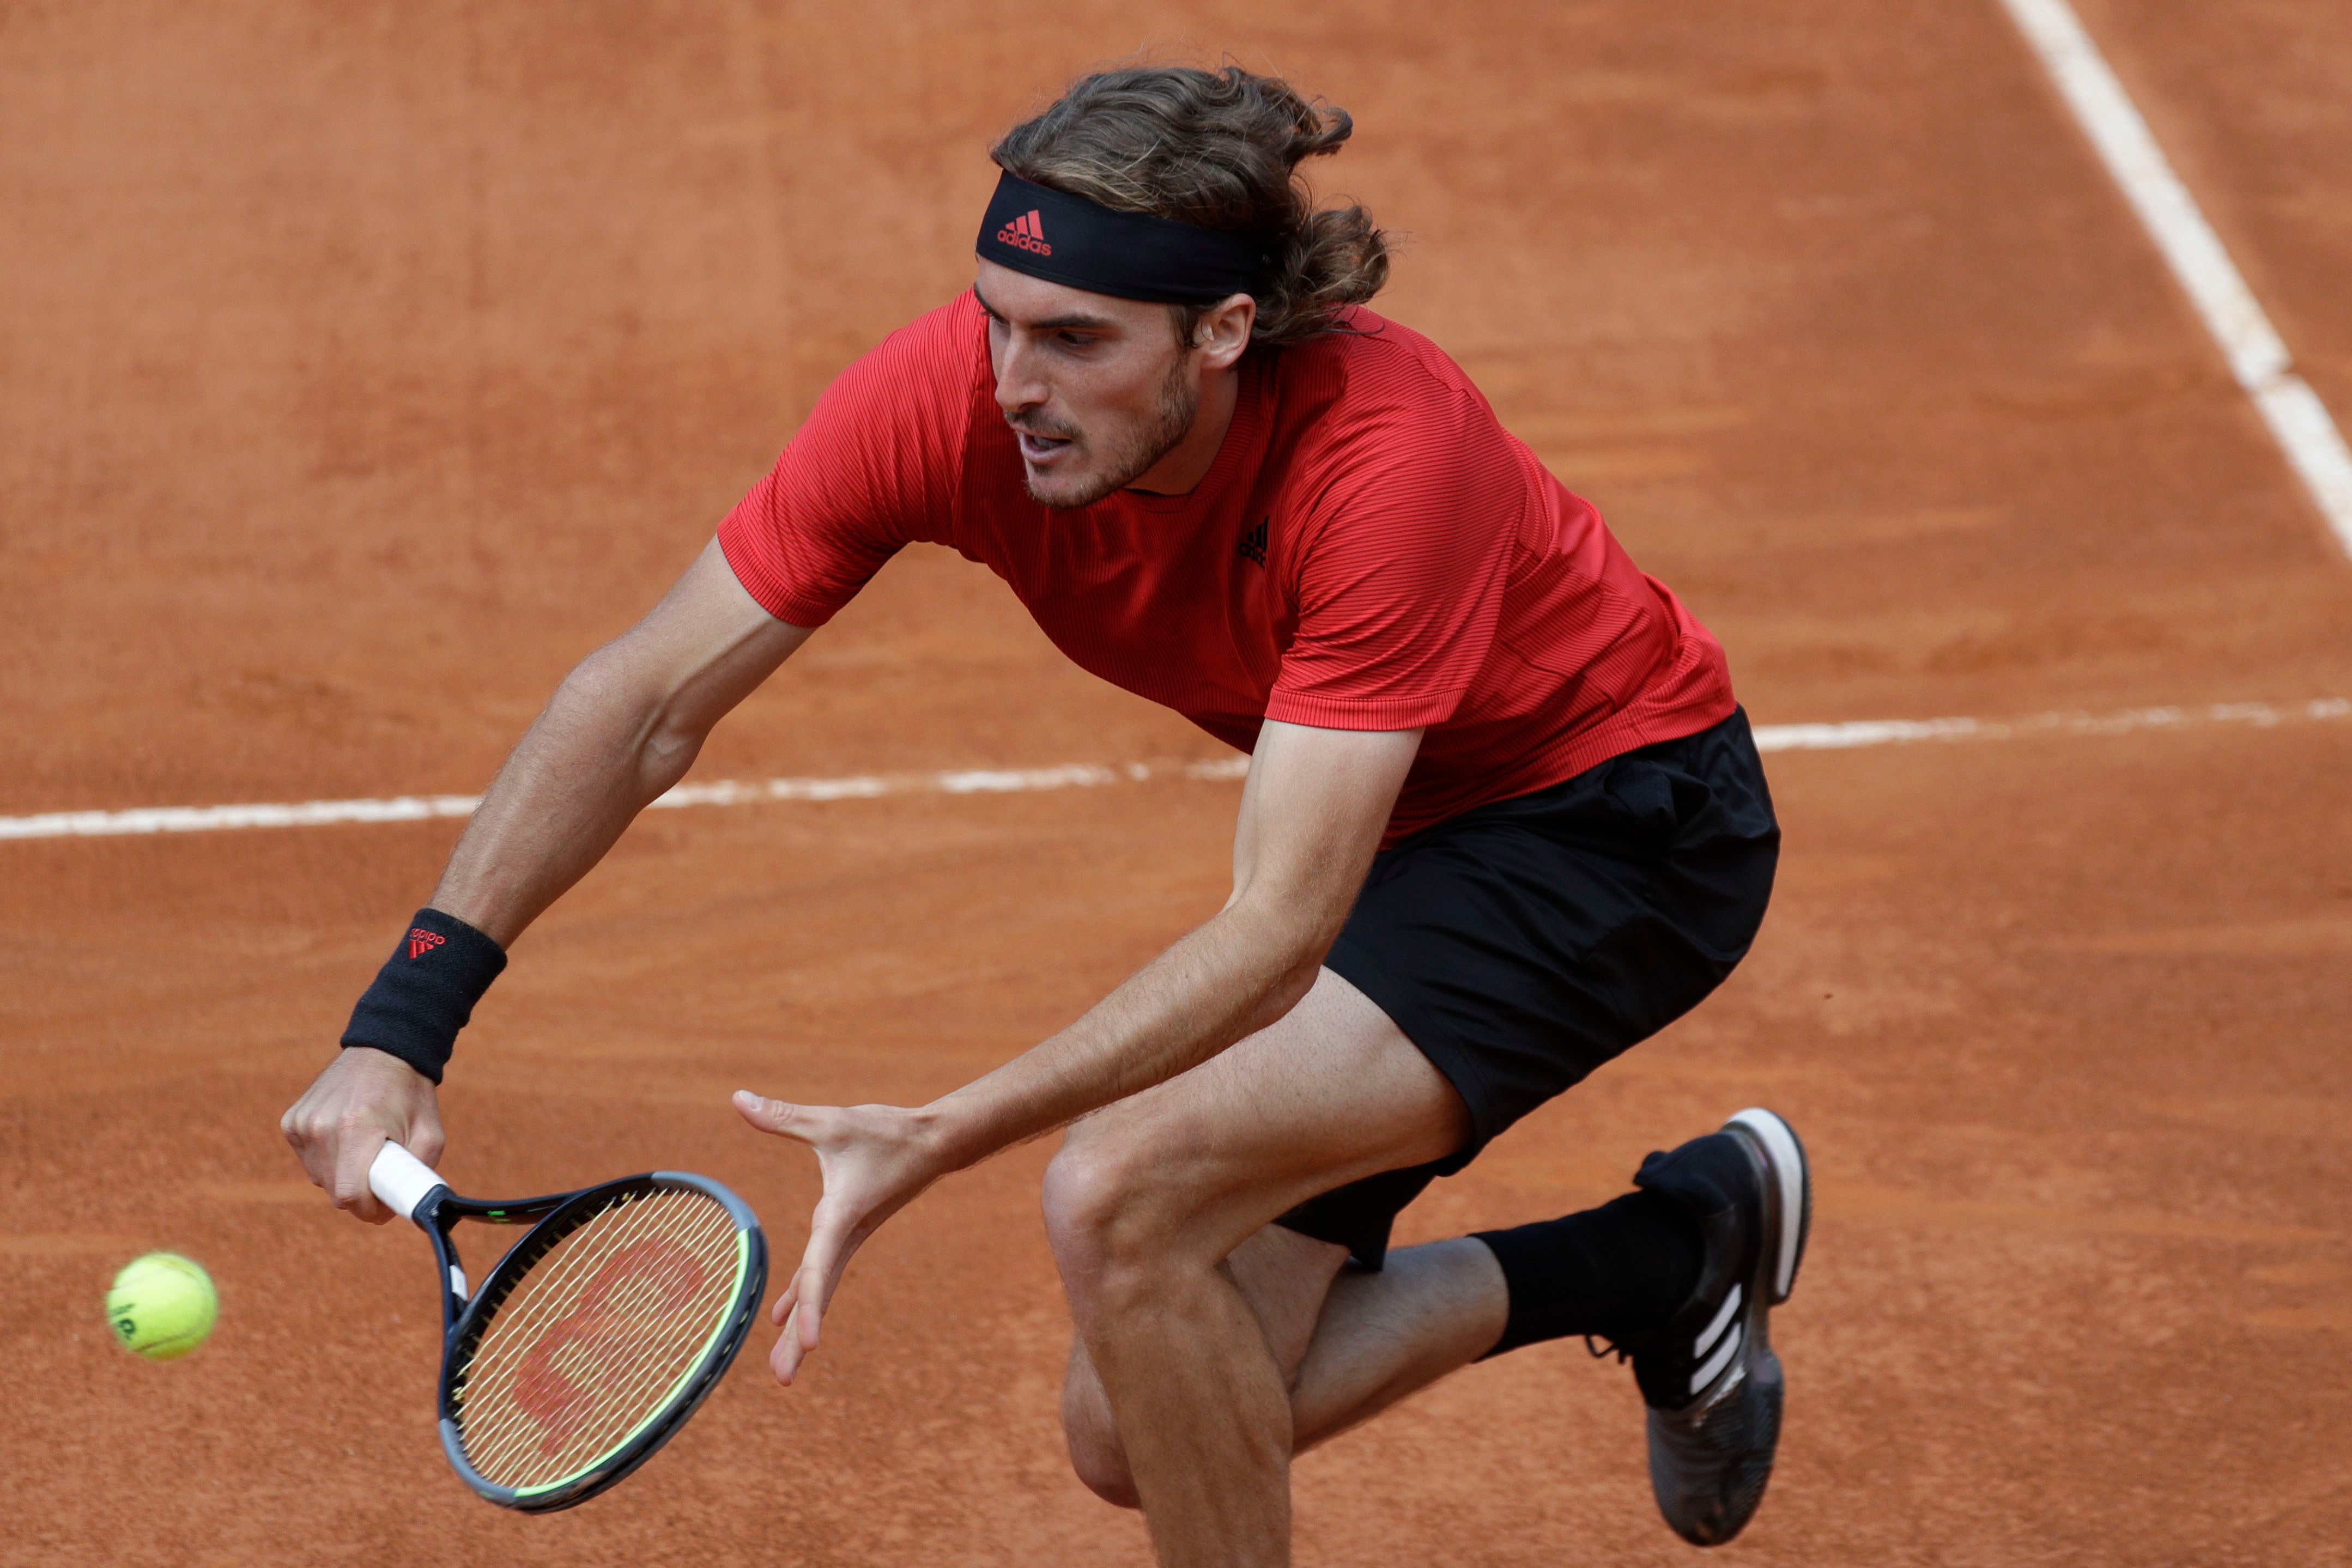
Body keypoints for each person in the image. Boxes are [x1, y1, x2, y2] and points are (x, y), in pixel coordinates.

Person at [281, 63, 1808, 1565]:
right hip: (1396, 839)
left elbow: (1278, 929)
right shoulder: (954, 398)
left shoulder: (1387, 458)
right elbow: (647, 701)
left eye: (1076, 339)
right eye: (999, 323)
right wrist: (400, 1022)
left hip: (1607, 828)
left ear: (1223, 332)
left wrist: (941, 1132)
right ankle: (1670, 1255)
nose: (1014, 384)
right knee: (1136, 1435)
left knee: (1119, 1192)